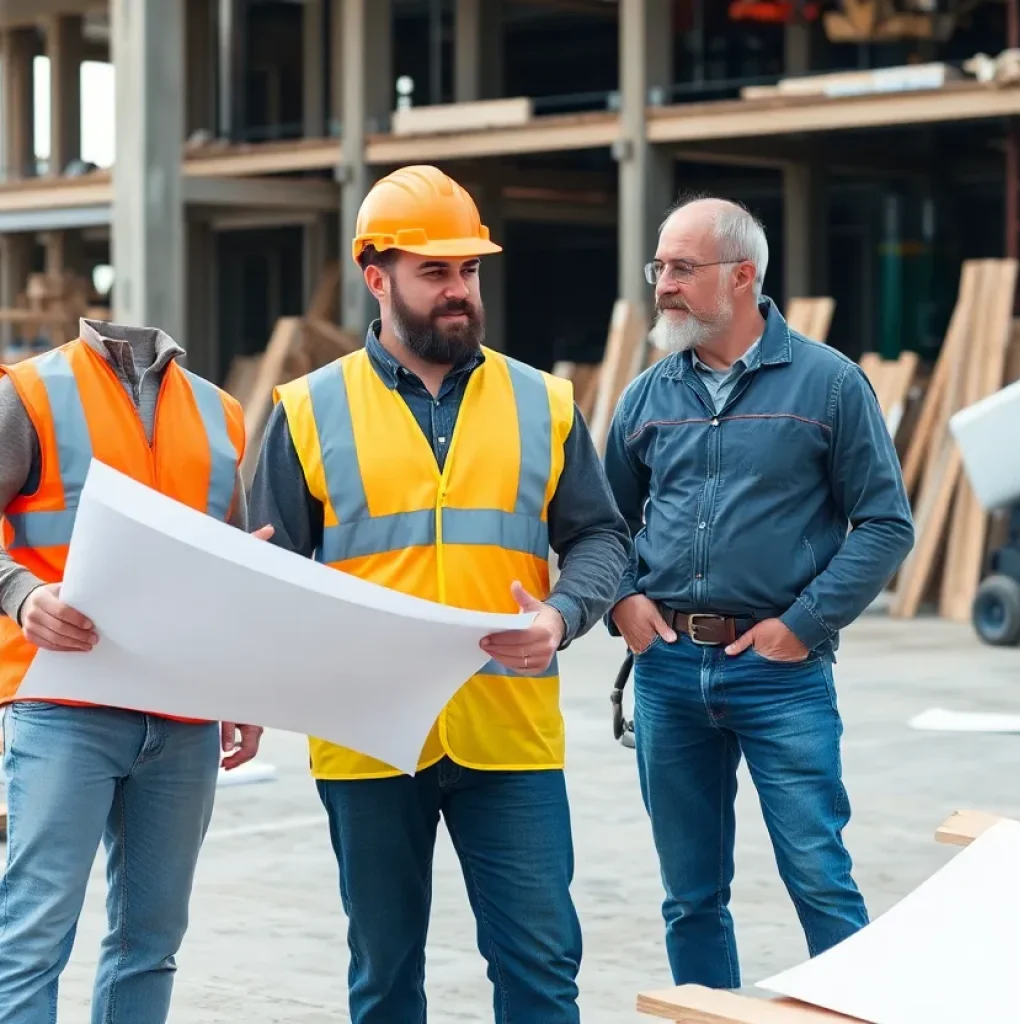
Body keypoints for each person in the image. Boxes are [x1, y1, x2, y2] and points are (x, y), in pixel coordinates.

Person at [249, 164, 631, 1023]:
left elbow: (602, 536)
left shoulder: (544, 402)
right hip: (368, 737)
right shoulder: (308, 410)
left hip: (509, 735)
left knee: (541, 972)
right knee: (385, 980)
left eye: (469, 269)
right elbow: (268, 573)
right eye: (435, 271)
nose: (459, 290)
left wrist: (562, 615)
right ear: (376, 277)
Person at [604, 196, 915, 989]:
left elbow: (885, 524)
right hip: (669, 672)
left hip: (781, 675)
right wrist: (624, 601)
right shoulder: (645, 397)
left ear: (742, 276)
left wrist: (803, 625)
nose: (663, 285)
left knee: (819, 877)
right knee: (690, 897)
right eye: (659, 267)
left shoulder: (830, 385)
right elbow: (601, 525)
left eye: (682, 268)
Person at [0, 319, 267, 1024]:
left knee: (150, 943)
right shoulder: (30, 393)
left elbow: (233, 561)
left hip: (183, 713)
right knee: (32, 938)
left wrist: (242, 682)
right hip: (63, 705)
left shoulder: (219, 412)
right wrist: (20, 593)